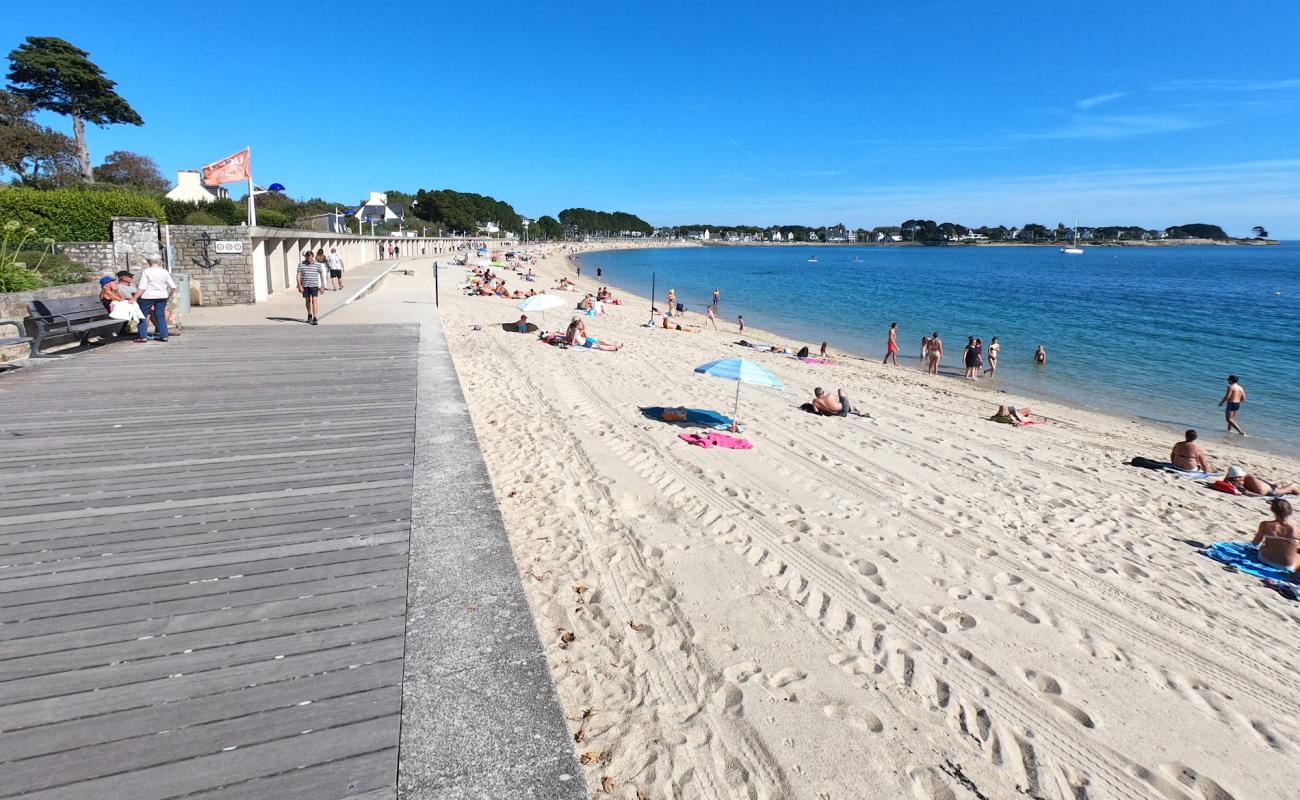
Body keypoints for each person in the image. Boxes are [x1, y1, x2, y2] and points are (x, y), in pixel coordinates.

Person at [131, 256, 177, 342]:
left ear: (149, 262)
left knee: (142, 315)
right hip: (162, 296)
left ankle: (143, 337)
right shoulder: (164, 272)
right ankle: (164, 336)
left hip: (148, 296)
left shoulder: (146, 272)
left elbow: (142, 287)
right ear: (159, 262)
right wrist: (169, 295)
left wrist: (134, 298)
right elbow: (173, 286)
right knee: (161, 316)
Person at [1253, 498, 1299, 573]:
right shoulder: (1297, 530)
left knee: (1263, 547)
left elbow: (1255, 543)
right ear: (1290, 511)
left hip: (1265, 559)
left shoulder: (1265, 525)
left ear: (1272, 510)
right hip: (1288, 567)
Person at [296, 249, 327, 325]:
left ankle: (315, 317)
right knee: (308, 301)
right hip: (305, 285)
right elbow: (298, 275)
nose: (310, 260)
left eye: (311, 258)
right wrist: (299, 286)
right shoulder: (301, 264)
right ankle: (309, 314)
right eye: (308, 258)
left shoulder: (317, 264)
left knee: (314, 300)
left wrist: (323, 286)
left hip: (314, 285)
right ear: (306, 257)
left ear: (313, 257)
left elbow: (322, 275)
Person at [1225, 465, 1299, 497]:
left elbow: (1261, 494)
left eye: (1238, 478)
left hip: (1272, 492)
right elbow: (1224, 482)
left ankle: (1293, 487)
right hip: (1267, 487)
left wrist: (1244, 491)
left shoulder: (1250, 479)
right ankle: (1278, 483)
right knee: (1274, 485)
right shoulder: (1233, 478)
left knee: (1291, 487)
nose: (1234, 480)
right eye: (1233, 478)